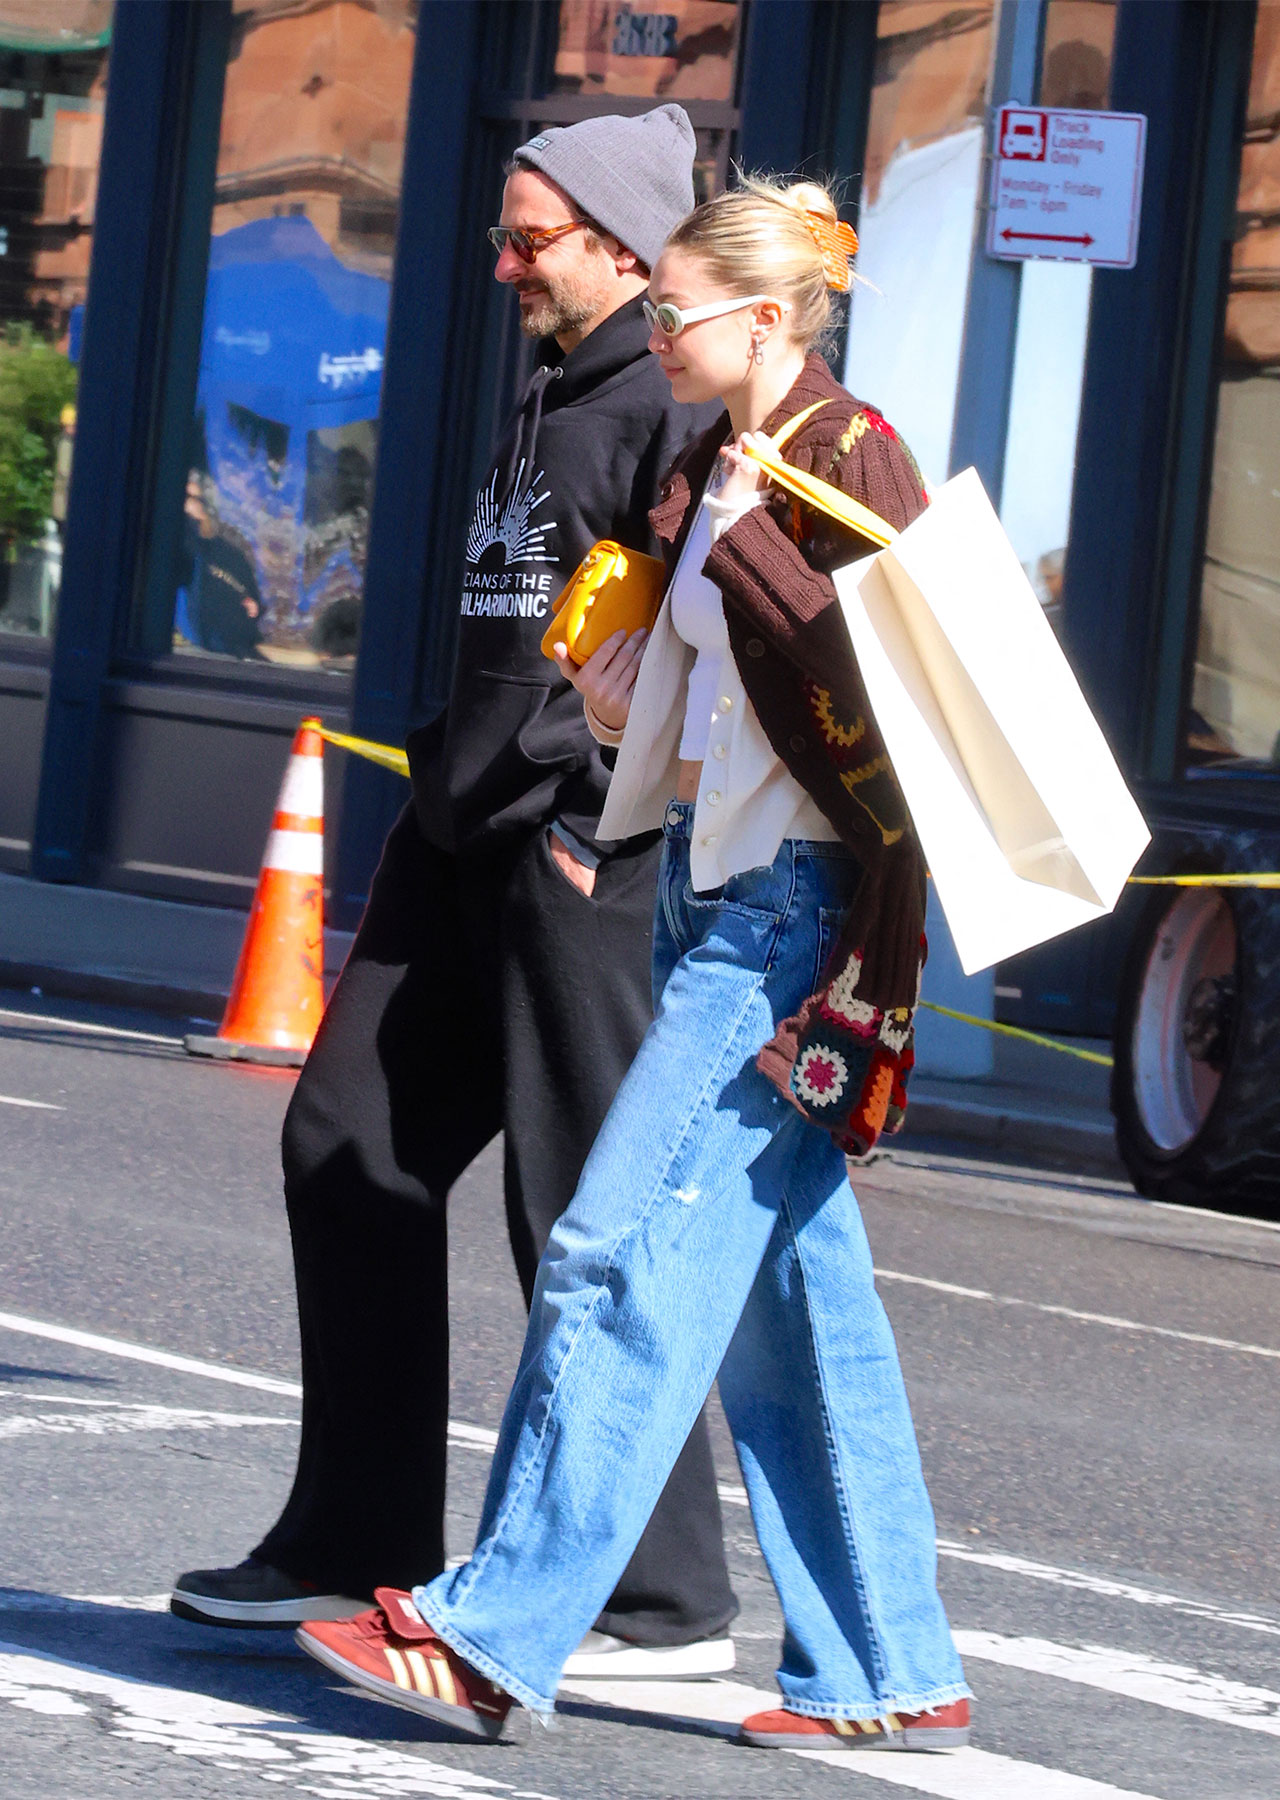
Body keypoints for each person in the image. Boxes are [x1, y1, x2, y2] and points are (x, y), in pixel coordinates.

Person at [294, 176, 972, 1753]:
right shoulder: (727, 462)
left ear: (762, 312)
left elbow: (903, 695)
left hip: (790, 918)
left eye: (674, 310)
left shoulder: (847, 455)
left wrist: (742, 578)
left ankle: (489, 1631)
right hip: (715, 889)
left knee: (612, 1249)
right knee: (795, 1305)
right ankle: (888, 1660)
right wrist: (623, 712)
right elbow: (725, 714)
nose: (654, 331)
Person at [171, 104, 740, 1679]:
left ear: (626, 248)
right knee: (348, 1136)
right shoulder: (559, 378)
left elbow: (680, 645)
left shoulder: (662, 403)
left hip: (574, 849)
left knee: (579, 1204)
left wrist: (580, 804)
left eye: (527, 239)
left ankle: (656, 1597)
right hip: (461, 829)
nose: (501, 265)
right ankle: (352, 1532)